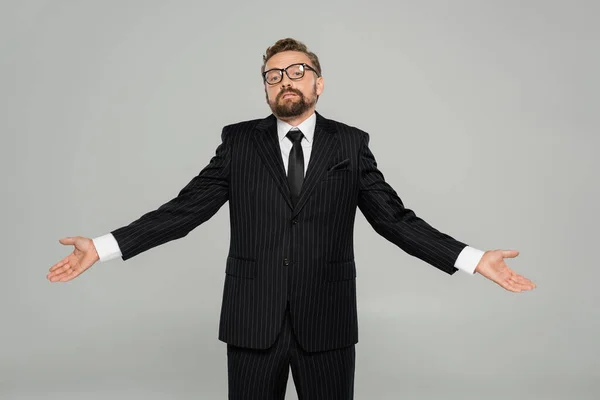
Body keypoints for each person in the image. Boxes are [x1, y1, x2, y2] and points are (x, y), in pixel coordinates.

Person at [47, 38, 536, 399]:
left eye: (297, 71)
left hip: (327, 320)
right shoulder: (239, 143)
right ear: (265, 87)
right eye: (273, 75)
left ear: (318, 83)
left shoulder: (350, 144)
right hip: (252, 321)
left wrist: (472, 260)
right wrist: (103, 245)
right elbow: (184, 211)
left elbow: (395, 220)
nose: (285, 81)